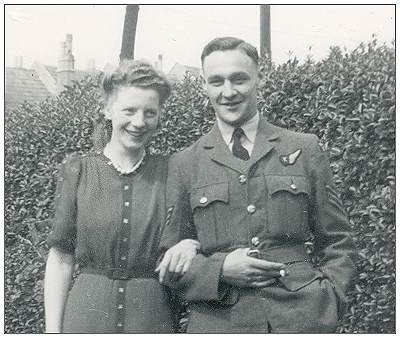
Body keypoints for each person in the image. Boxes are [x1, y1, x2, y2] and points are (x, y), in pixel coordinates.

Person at [158, 37, 357, 333]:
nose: (228, 92)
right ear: (204, 86)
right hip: (220, 324)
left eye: (239, 79)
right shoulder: (185, 163)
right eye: (216, 82)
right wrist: (220, 269)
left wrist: (329, 301)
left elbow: (338, 240)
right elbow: (167, 262)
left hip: (300, 320)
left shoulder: (304, 148)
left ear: (259, 79)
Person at [44, 60, 199, 333]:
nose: (139, 122)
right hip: (86, 316)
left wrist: (191, 244)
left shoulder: (173, 172)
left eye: (150, 113)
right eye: (129, 110)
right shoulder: (78, 171)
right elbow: (60, 258)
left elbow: (196, 235)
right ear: (108, 110)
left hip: (153, 317)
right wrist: (52, 332)